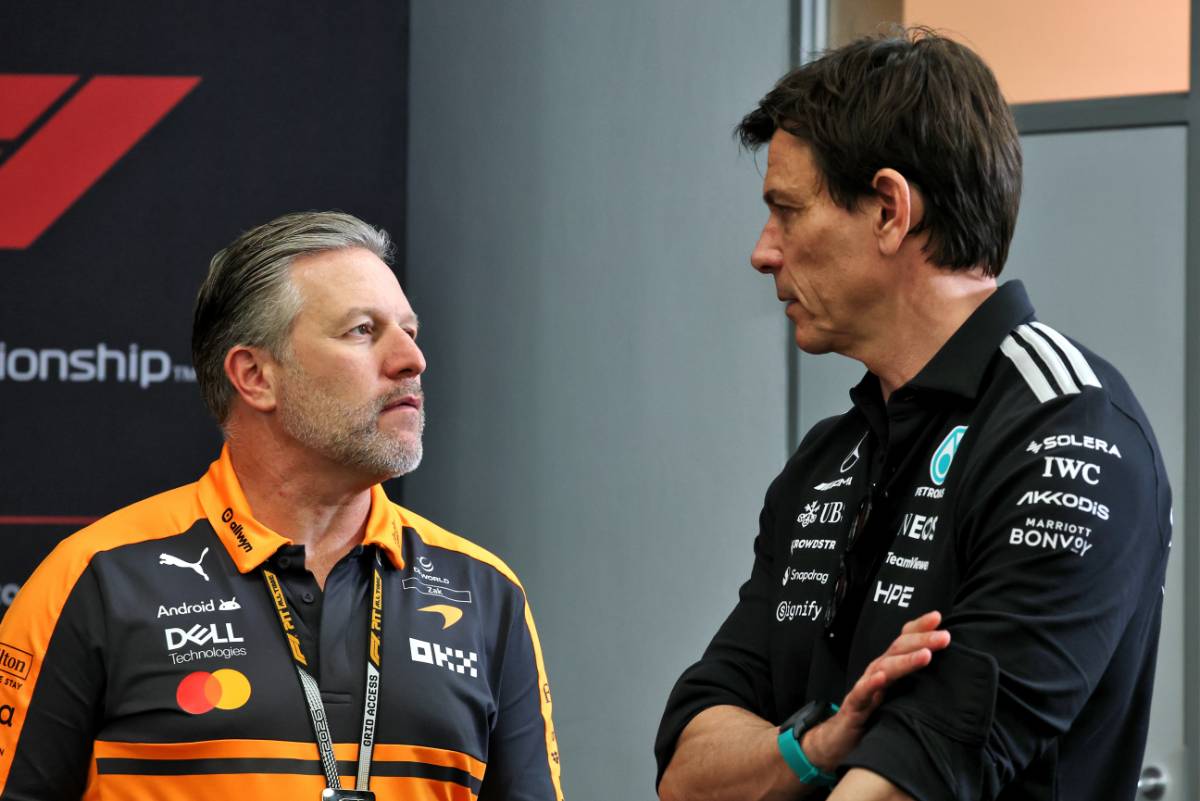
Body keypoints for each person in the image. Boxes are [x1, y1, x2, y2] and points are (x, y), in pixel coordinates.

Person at [655, 29, 1171, 801]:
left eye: (787, 210)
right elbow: (688, 774)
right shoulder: (828, 458)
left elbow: (910, 778)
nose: (764, 252)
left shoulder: (1070, 428)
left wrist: (779, 758)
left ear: (890, 211)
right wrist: (815, 743)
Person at [0, 211, 564, 801]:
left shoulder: (486, 592)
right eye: (362, 331)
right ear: (255, 376)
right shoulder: (97, 578)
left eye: (410, 331)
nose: (411, 360)